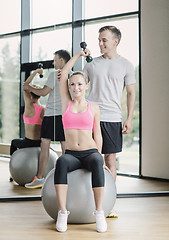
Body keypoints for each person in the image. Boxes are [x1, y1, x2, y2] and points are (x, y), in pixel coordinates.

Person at [54, 50, 107, 233]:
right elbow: (64, 75)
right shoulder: (66, 103)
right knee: (61, 161)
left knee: (97, 161)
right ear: (69, 86)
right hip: (72, 155)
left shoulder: (93, 107)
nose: (76, 88)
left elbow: (97, 133)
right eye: (73, 84)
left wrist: (99, 155)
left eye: (80, 84)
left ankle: (99, 212)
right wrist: (78, 55)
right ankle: (62, 212)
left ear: (86, 86)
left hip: (90, 152)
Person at [83, 26, 136, 182]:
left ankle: (110, 198)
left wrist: (129, 118)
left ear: (115, 41)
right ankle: (92, 197)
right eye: (99, 40)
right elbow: (78, 84)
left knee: (110, 159)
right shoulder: (91, 64)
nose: (100, 44)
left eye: (104, 40)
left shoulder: (126, 65)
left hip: (112, 117)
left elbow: (131, 93)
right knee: (91, 158)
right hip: (91, 116)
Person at [23, 50, 71, 189]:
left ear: (62, 60)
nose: (53, 62)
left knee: (44, 145)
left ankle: (40, 178)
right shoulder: (72, 75)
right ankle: (67, 177)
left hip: (51, 115)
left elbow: (43, 92)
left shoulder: (55, 74)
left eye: (55, 60)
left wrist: (29, 87)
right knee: (65, 146)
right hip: (65, 115)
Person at [10, 69, 45, 181]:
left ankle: (13, 171)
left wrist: (35, 72)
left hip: (28, 142)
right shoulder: (44, 109)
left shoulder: (29, 106)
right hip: (40, 142)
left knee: (13, 142)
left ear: (30, 94)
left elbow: (25, 85)